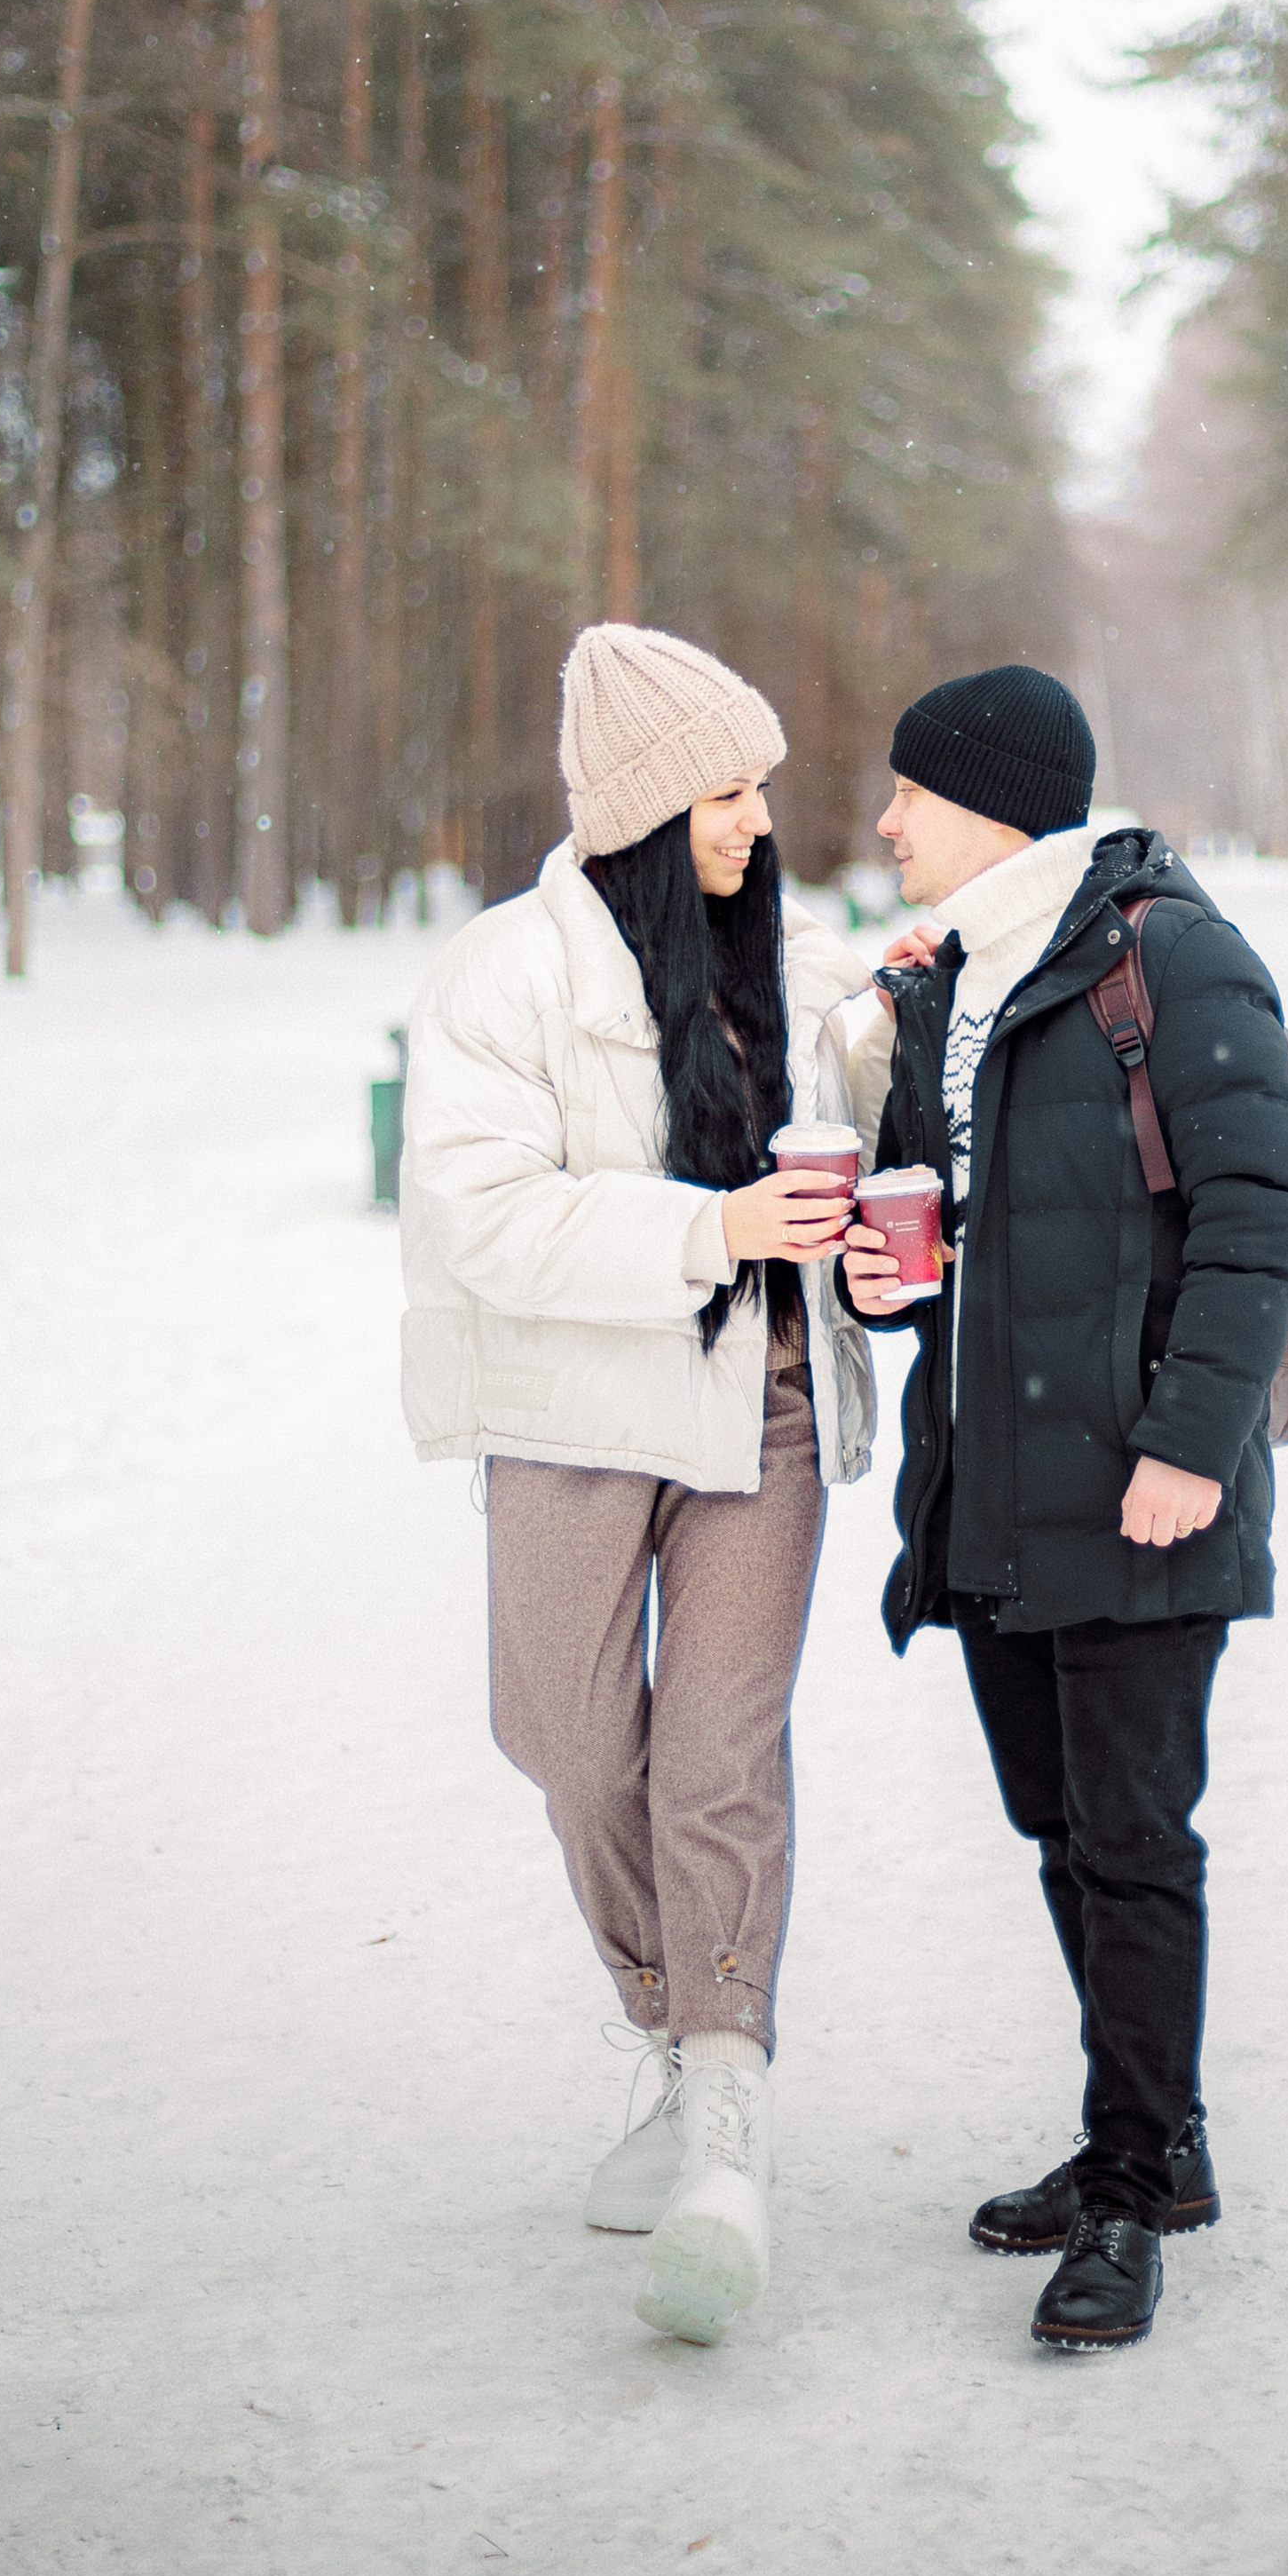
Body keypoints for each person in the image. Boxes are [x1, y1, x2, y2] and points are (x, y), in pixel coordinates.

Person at [399, 623, 877, 2346]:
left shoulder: (802, 974)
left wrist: (873, 1224)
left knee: (714, 1757)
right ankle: (674, 2030)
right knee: (572, 1743)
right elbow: (481, 1215)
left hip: (760, 1414)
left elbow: (881, 1145)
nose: (757, 822)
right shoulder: (501, 977)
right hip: (575, 1411)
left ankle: (727, 2108)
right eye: (727, 793)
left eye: (760, 787)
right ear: (645, 810)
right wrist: (707, 1226)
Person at [839, 664, 1288, 2353]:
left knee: (1130, 1846)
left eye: (908, 792)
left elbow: (1269, 1214)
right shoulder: (954, 981)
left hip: (1136, 1494)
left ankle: (1131, 2190)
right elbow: (943, 1232)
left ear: (990, 800)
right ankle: (1149, 2136)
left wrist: (1190, 1443)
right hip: (993, 1495)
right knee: (1063, 1834)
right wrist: (886, 1265)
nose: (883, 822)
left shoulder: (1164, 953)